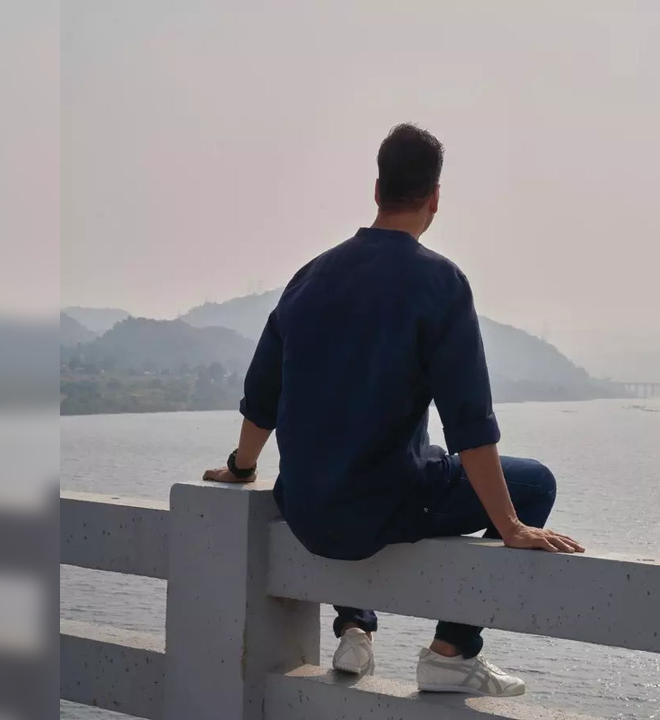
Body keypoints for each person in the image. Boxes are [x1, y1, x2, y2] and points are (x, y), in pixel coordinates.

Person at [201, 124, 583, 697]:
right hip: (382, 508)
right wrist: (510, 525)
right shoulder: (441, 284)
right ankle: (451, 653)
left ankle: (355, 626)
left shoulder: (309, 278)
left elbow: (262, 401)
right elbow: (471, 429)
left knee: (355, 457)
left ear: (377, 190)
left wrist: (240, 467)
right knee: (533, 484)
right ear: (434, 199)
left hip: (305, 509)